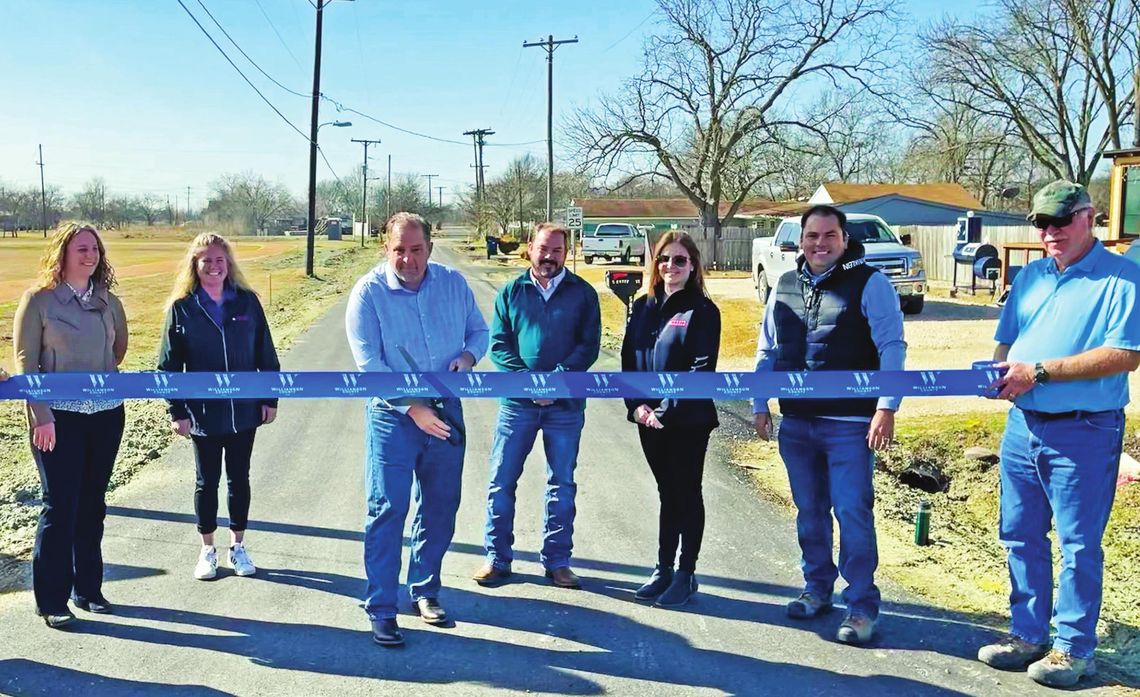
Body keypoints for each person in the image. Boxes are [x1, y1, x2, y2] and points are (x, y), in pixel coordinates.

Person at [976, 181, 1140, 688]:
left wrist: (1039, 372)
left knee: (1078, 544)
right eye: (1041, 224)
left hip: (1085, 429)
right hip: (1023, 425)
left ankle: (1073, 649)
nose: (1050, 232)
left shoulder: (1123, 277)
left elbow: (1126, 354)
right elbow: (1007, 341)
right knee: (1020, 534)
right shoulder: (1029, 277)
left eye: (1060, 222)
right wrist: (996, 373)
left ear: (1089, 217)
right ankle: (1028, 634)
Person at [752, 204, 906, 645]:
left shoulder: (871, 284)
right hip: (797, 424)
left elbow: (892, 346)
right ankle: (817, 588)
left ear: (844, 238)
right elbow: (767, 350)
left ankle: (860, 607)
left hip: (849, 425)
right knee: (810, 512)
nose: (820, 244)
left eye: (829, 236)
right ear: (800, 240)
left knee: (853, 512)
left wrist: (886, 407)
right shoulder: (783, 285)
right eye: (812, 236)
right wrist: (760, 402)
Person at [345, 212, 489, 647]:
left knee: (442, 504)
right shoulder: (368, 294)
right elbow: (370, 365)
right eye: (399, 250)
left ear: (430, 246)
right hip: (393, 416)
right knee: (388, 508)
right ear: (385, 249)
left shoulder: (453, 284)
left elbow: (479, 332)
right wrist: (413, 409)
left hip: (446, 410)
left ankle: (425, 590)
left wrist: (468, 357)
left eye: (416, 249)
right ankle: (382, 608)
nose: (408, 259)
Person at [473, 222, 601, 590]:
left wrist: (555, 382)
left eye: (557, 251)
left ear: (567, 252)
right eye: (543, 249)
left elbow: (588, 346)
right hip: (518, 404)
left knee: (561, 483)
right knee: (501, 481)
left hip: (566, 405)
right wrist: (529, 384)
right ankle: (497, 559)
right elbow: (498, 345)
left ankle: (557, 562)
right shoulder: (511, 292)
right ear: (529, 248)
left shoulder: (583, 294)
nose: (549, 256)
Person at [13, 222, 129, 628]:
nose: (90, 255)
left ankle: (89, 589)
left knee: (92, 505)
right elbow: (26, 366)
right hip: (57, 419)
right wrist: (41, 416)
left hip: (105, 415)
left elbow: (119, 350)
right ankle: (52, 599)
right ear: (62, 253)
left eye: (95, 249)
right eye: (81, 248)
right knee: (60, 506)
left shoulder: (108, 301)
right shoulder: (39, 301)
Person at [157, 233, 280, 582]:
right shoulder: (182, 307)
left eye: (220, 260)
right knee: (206, 481)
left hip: (244, 413)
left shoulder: (247, 303)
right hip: (202, 416)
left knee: (239, 479)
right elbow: (167, 367)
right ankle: (207, 549)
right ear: (194, 266)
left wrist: (269, 398)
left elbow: (266, 355)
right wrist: (177, 411)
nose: (214, 266)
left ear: (229, 264)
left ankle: (238, 546)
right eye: (206, 260)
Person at [621, 231, 721, 608]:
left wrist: (664, 410)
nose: (670, 266)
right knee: (667, 493)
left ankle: (686, 572)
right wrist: (638, 408)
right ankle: (663, 568)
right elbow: (629, 362)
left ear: (693, 265)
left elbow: (701, 369)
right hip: (648, 420)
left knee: (687, 493)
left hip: (688, 421)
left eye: (679, 260)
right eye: (664, 259)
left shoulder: (703, 311)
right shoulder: (642, 307)